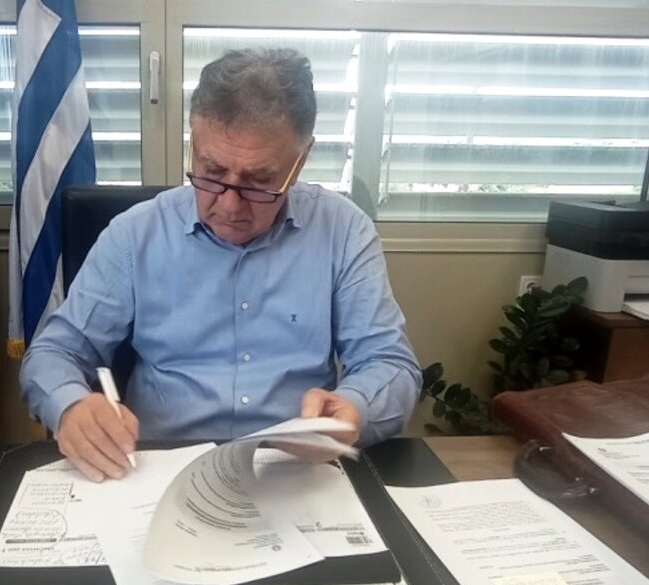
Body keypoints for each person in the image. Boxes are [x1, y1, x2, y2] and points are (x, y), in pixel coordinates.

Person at [21, 48, 421, 483]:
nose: (229, 205)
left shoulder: (343, 231)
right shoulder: (135, 234)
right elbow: (55, 352)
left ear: (300, 161)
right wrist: (71, 405)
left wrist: (355, 406)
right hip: (159, 472)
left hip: (294, 472)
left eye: (259, 181)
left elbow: (390, 364)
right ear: (194, 144)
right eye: (212, 171)